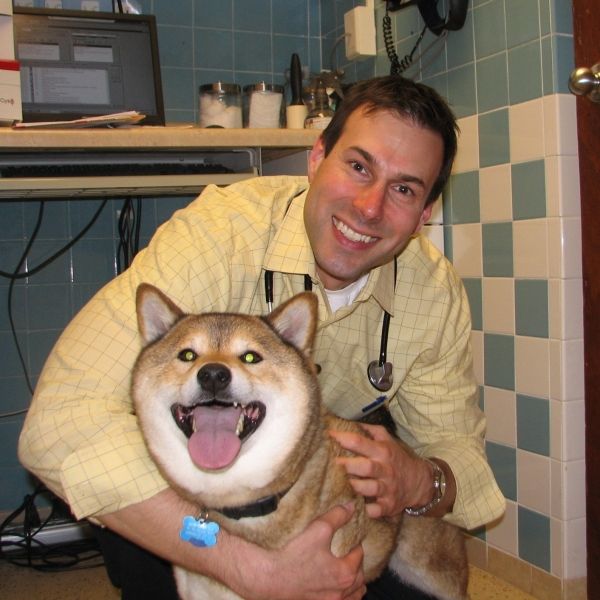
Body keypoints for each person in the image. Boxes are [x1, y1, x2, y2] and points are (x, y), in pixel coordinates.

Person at [18, 75, 505, 599]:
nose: (370, 207)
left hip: (325, 489)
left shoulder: (431, 293)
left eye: (404, 189)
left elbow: (459, 454)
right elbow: (58, 423)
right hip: (196, 493)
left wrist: (420, 480)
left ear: (424, 214)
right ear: (317, 157)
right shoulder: (221, 234)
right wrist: (247, 568)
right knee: (148, 545)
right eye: (359, 167)